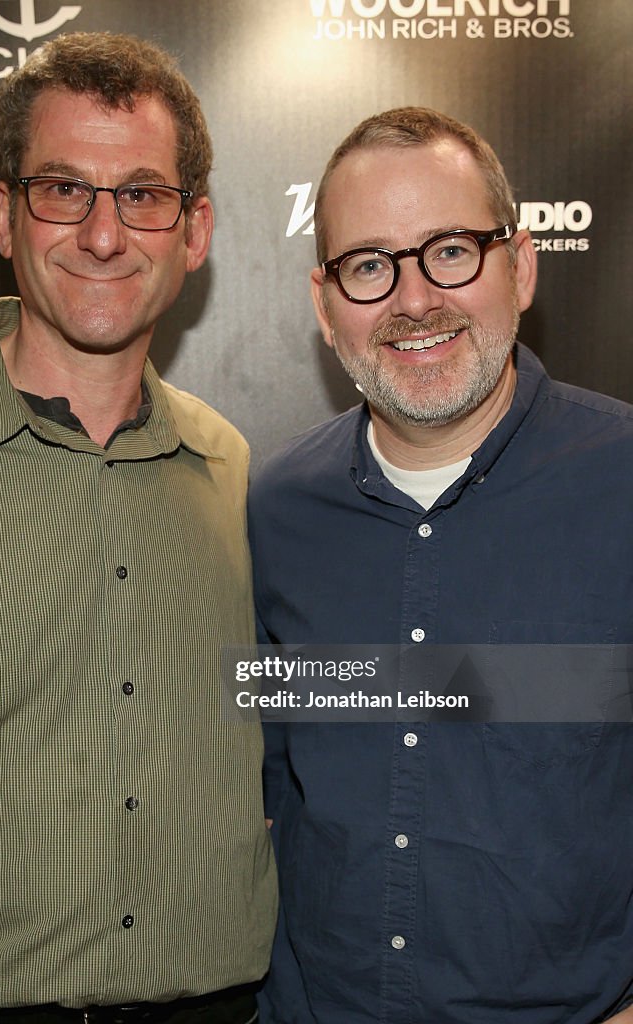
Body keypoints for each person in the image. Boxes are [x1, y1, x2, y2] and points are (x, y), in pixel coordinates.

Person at [0, 31, 276, 1024]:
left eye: (142, 194)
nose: (104, 236)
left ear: (196, 228)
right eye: (64, 190)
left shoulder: (229, 465)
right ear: (5, 215)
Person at [249, 107, 633, 1024]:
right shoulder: (275, 509)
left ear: (522, 264)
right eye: (370, 264)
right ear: (324, 302)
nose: (414, 300)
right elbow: (265, 790)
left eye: (450, 250)